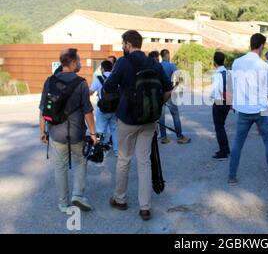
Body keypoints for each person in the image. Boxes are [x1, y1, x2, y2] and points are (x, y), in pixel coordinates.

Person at [104, 30, 173, 221]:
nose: (122, 47)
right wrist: (156, 106)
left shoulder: (123, 62)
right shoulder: (153, 62)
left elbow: (108, 87)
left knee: (124, 160)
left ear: (127, 44)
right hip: (149, 120)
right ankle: (145, 207)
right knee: (144, 162)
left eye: (122, 44)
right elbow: (168, 90)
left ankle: (120, 199)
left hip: (127, 119)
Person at [39, 48, 97, 213]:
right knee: (80, 162)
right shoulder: (81, 83)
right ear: (72, 63)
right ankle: (77, 195)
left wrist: (43, 132)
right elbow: (87, 111)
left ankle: (64, 204)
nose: (79, 63)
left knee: (60, 167)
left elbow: (43, 109)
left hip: (56, 134)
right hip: (76, 133)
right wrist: (93, 133)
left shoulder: (49, 81)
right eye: (78, 61)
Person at [229, 33, 268, 187]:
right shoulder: (264, 65)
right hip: (261, 109)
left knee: (238, 143)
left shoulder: (236, 63)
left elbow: (233, 84)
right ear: (261, 46)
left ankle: (232, 176)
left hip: (244, 110)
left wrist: (235, 102)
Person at [159, 49, 191, 145]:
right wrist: (175, 86)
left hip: (160, 94)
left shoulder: (158, 66)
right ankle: (179, 137)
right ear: (168, 55)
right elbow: (177, 77)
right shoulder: (172, 65)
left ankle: (164, 137)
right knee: (175, 116)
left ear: (161, 56)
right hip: (169, 93)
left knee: (161, 117)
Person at [90, 60, 118, 157]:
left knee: (100, 130)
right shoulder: (116, 78)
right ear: (111, 68)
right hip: (114, 107)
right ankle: (116, 151)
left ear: (102, 68)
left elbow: (91, 92)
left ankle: (101, 150)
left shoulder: (98, 78)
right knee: (114, 129)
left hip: (102, 108)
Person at [211, 52, 232, 160]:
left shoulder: (216, 75)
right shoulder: (229, 73)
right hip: (227, 102)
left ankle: (223, 151)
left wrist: (212, 97)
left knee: (219, 127)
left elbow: (214, 91)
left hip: (219, 102)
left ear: (214, 62)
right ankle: (226, 148)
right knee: (221, 126)